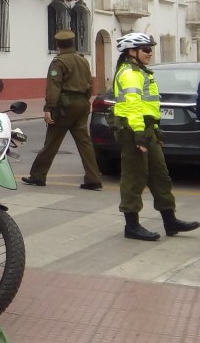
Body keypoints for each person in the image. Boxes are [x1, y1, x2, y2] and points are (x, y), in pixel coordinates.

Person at [110, 32, 198, 241]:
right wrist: (140, 135)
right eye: (146, 49)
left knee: (161, 176)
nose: (150, 53)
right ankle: (132, 226)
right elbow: (132, 107)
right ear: (132, 52)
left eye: (150, 49)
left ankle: (170, 221)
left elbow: (147, 105)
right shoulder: (129, 73)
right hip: (133, 131)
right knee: (134, 178)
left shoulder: (142, 72)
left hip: (147, 130)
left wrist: (154, 129)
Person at [21, 29, 102, 190]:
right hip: (82, 104)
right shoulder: (83, 60)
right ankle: (93, 178)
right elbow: (90, 83)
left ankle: (38, 176)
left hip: (65, 105)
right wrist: (85, 100)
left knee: (52, 142)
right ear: (73, 43)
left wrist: (48, 108)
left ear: (58, 44)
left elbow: (54, 87)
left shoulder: (59, 62)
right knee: (84, 143)